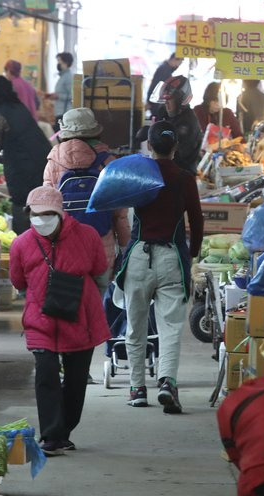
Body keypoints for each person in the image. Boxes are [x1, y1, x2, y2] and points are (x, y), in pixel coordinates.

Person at [9, 186, 110, 456]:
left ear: (61, 213)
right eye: (36, 214)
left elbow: (100, 269)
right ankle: (52, 437)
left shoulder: (86, 235)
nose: (41, 219)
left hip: (80, 317)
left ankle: (64, 431)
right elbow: (18, 281)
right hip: (41, 319)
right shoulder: (21, 243)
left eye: (48, 214)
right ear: (28, 214)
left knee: (76, 381)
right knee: (46, 374)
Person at [115, 120, 204, 413]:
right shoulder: (185, 178)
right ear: (176, 147)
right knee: (170, 327)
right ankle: (167, 383)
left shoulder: (139, 175)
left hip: (139, 255)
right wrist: (192, 254)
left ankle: (137, 387)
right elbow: (197, 220)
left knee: (135, 326)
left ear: (150, 146)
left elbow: (125, 213)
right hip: (170, 257)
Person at [43, 107, 131, 287]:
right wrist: (125, 247)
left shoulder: (53, 163)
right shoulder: (108, 162)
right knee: (97, 305)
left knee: (68, 302)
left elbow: (47, 208)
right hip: (100, 246)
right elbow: (120, 214)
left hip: (65, 246)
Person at [0, 76, 52, 234]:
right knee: (37, 204)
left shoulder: (0, 114)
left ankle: (23, 242)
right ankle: (38, 242)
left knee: (21, 204)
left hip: (23, 167)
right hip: (41, 162)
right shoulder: (18, 106)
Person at [155, 75, 202, 175]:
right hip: (171, 172)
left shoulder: (186, 124)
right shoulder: (170, 115)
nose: (166, 104)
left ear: (180, 100)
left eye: (169, 100)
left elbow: (175, 155)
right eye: (165, 100)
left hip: (182, 176)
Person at [46, 52, 74, 128]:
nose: (58, 64)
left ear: (66, 62)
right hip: (59, 111)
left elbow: (72, 95)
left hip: (64, 112)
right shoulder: (62, 76)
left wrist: (58, 96)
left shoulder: (69, 77)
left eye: (59, 61)